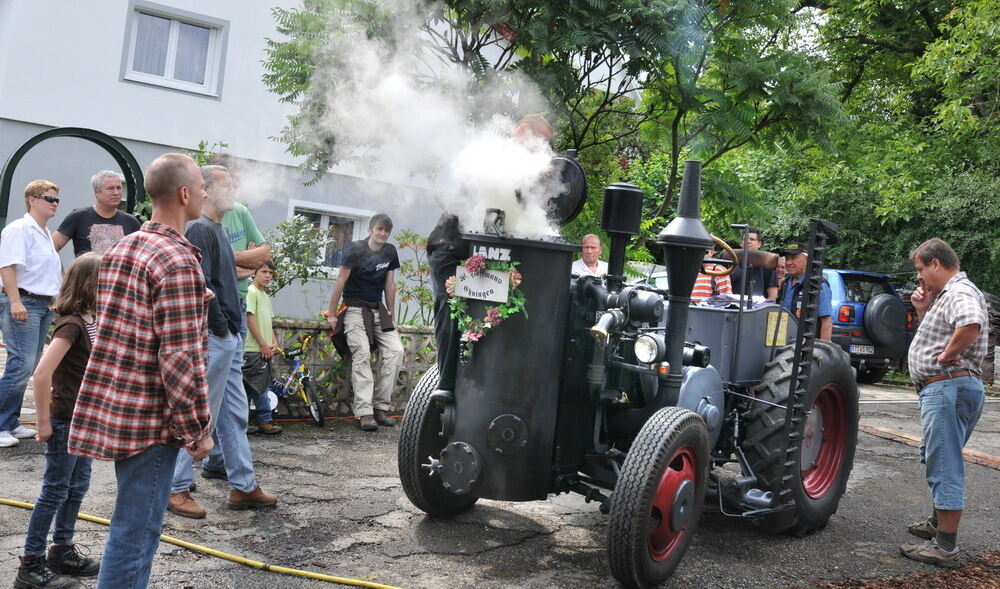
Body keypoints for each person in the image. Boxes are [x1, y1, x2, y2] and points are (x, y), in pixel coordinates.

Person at [68, 153, 214, 589]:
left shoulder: (118, 251)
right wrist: (198, 429)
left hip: (118, 407)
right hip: (153, 418)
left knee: (129, 524)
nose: (207, 192)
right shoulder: (178, 261)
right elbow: (180, 358)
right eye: (202, 185)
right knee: (137, 530)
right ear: (185, 194)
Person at [168, 165, 278, 519]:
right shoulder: (200, 228)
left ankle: (243, 486)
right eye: (226, 185)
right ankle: (176, 487)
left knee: (232, 414)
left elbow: (231, 274)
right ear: (206, 190)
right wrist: (220, 330)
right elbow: (202, 286)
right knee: (203, 413)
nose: (234, 191)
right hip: (218, 336)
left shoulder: (215, 228)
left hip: (228, 335)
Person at [427, 115, 555, 395]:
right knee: (453, 312)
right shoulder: (496, 154)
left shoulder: (520, 168)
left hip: (483, 251)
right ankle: (446, 389)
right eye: (541, 141)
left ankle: (486, 388)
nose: (541, 148)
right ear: (522, 131)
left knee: (497, 315)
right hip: (450, 249)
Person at [899, 238, 987, 568]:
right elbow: (940, 334)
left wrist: (949, 354)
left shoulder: (959, 292)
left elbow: (970, 324)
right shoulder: (946, 296)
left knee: (945, 464)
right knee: (937, 456)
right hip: (951, 387)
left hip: (946, 386)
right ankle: (937, 525)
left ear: (936, 264)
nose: (920, 277)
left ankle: (945, 547)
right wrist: (923, 310)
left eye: (922, 269)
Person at [15, 254, 102, 589]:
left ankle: (61, 550)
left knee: (76, 487)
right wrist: (43, 422)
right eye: (105, 281)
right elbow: (41, 375)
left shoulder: (92, 320)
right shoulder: (72, 325)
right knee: (54, 491)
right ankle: (30, 565)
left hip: (85, 421)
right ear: (91, 284)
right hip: (65, 421)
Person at [326, 214, 405, 431]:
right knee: (361, 353)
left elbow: (390, 285)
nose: (383, 234)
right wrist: (332, 314)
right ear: (370, 230)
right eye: (379, 229)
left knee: (396, 350)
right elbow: (340, 280)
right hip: (353, 308)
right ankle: (365, 413)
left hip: (377, 309)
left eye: (386, 231)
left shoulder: (390, 252)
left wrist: (392, 315)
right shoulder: (355, 249)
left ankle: (381, 407)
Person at [0, 180, 62, 448]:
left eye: (56, 199)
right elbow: (7, 266)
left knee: (28, 364)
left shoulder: (43, 232)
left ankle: (10, 422)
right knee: (20, 364)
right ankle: (1, 423)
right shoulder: (19, 229)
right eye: (49, 198)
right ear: (32, 199)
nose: (54, 203)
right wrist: (15, 301)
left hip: (42, 304)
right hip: (25, 301)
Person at [52, 171, 141, 256]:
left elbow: (142, 254)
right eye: (110, 188)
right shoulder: (78, 216)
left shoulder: (131, 221)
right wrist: (60, 270)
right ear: (96, 191)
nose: (116, 193)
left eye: (119, 188)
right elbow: (50, 248)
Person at [243, 261, 282, 435]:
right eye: (264, 271)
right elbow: (249, 319)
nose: (268, 275)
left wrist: (273, 342)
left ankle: (258, 420)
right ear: (253, 273)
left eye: (270, 273)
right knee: (252, 387)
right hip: (253, 349)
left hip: (264, 349)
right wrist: (263, 344)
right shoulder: (251, 293)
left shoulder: (265, 295)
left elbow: (269, 322)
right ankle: (262, 420)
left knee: (261, 385)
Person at [778, 243, 833, 341]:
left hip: (805, 347)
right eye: (787, 258)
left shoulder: (818, 285)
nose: (788, 262)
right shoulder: (785, 283)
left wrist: (822, 350)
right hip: (784, 342)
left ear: (807, 260)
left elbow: (826, 322)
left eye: (793, 258)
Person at [730, 227, 778, 300]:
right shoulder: (732, 264)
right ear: (741, 243)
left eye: (752, 239)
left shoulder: (767, 264)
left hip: (758, 309)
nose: (748, 241)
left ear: (759, 243)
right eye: (745, 239)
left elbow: (773, 296)